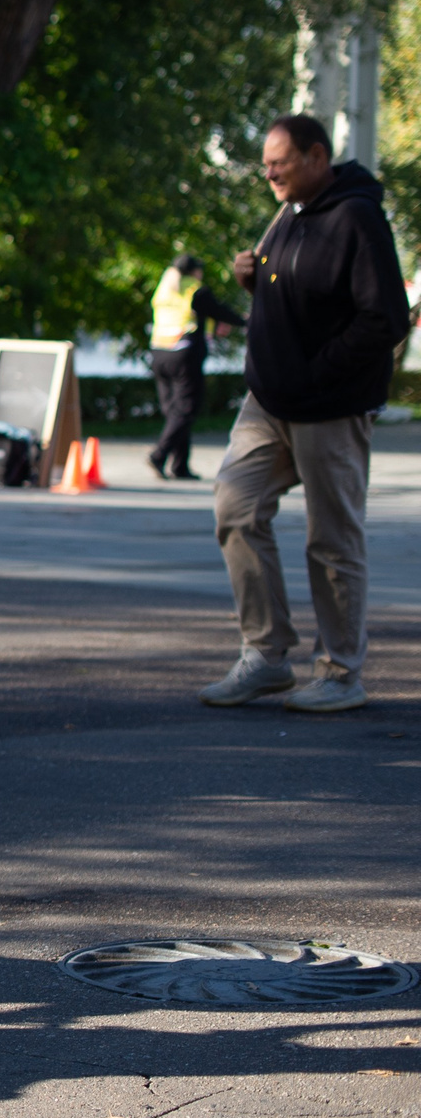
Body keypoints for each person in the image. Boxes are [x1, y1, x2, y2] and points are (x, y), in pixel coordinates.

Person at [201, 115, 406, 715]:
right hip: (268, 402)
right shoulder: (288, 212)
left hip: (330, 406)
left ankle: (341, 672)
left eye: (279, 162)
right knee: (235, 508)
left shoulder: (356, 216)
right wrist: (251, 280)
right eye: (265, 162)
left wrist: (320, 373)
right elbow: (295, 290)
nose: (268, 172)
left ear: (317, 157)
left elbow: (385, 320)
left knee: (332, 540)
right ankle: (266, 658)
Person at [146, 254, 245, 480]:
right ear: (194, 271)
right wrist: (246, 321)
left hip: (159, 352)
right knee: (186, 409)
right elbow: (218, 310)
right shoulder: (195, 289)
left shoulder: (163, 289)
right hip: (184, 353)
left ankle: (180, 466)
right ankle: (159, 455)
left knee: (174, 411)